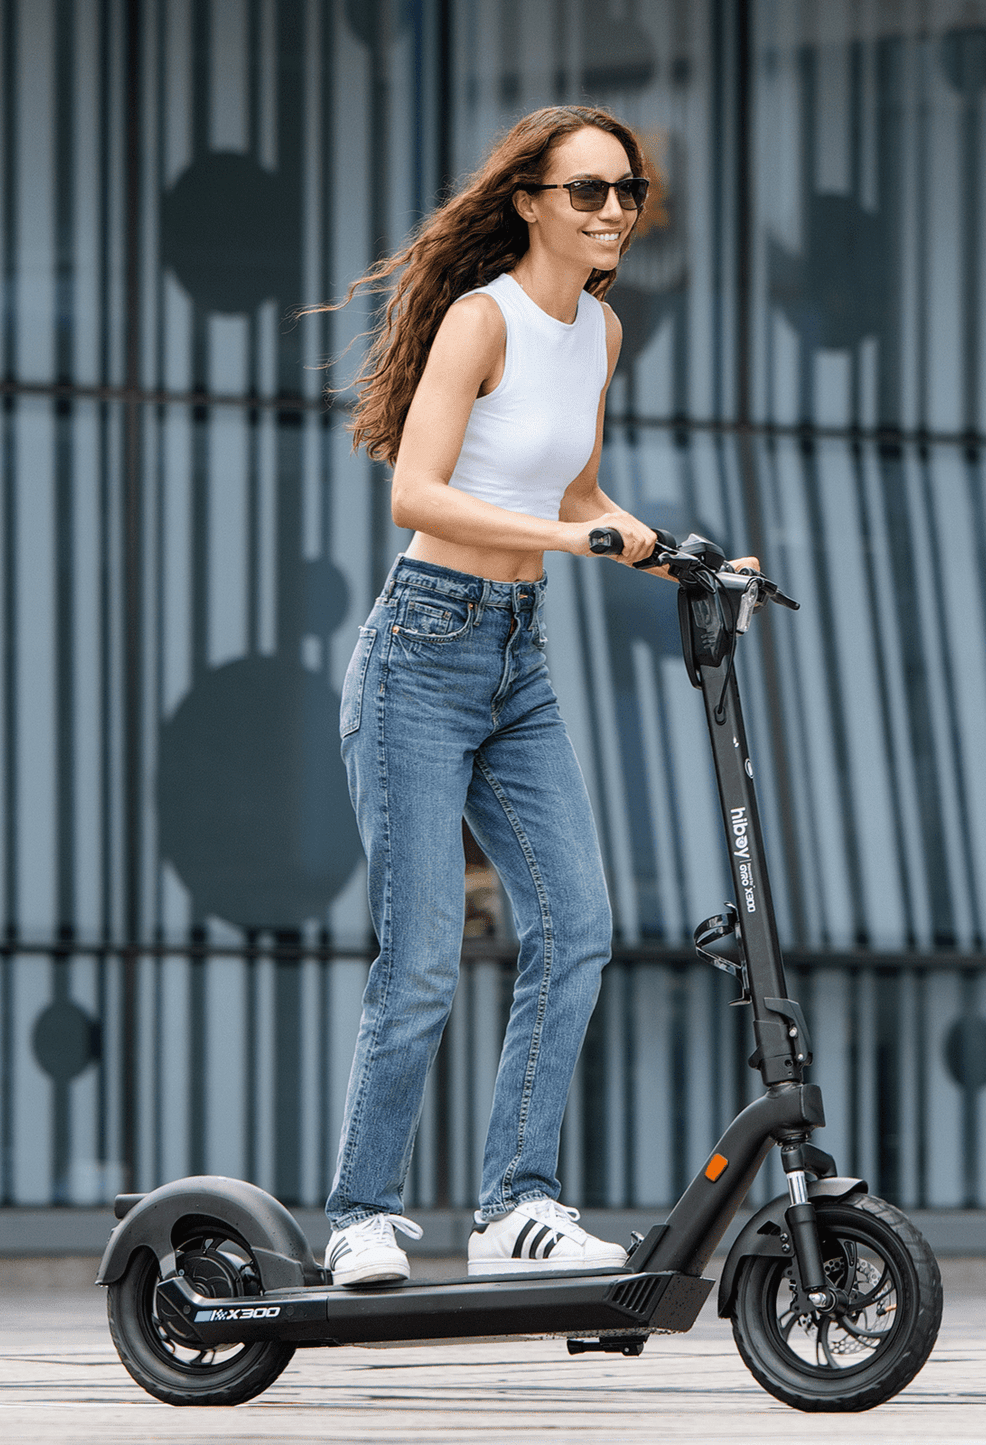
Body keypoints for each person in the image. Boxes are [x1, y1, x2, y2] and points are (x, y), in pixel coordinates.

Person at [316, 105, 754, 1288]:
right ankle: (360, 1212)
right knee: (419, 957)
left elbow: (578, 490)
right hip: (419, 649)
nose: (613, 211)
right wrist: (575, 537)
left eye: (628, 192)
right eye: (587, 191)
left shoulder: (597, 333)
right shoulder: (480, 319)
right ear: (527, 202)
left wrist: (676, 552)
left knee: (576, 927)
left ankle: (516, 1203)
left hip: (517, 656)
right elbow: (416, 492)